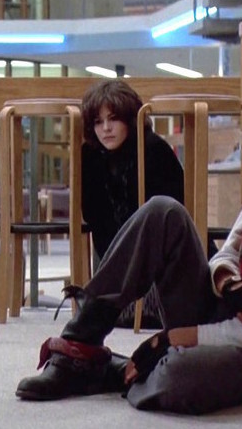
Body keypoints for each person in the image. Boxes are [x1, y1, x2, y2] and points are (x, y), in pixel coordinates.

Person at [15, 72, 242, 414]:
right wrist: (229, 283)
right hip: (226, 315)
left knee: (178, 376)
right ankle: (77, 348)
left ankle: (115, 371)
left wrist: (172, 338)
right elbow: (228, 252)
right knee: (162, 210)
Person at [80, 80, 184, 328]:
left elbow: (173, 219)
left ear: (129, 119)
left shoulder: (154, 150)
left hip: (160, 263)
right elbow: (93, 216)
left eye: (113, 119)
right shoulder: (90, 155)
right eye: (98, 122)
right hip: (114, 259)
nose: (106, 129)